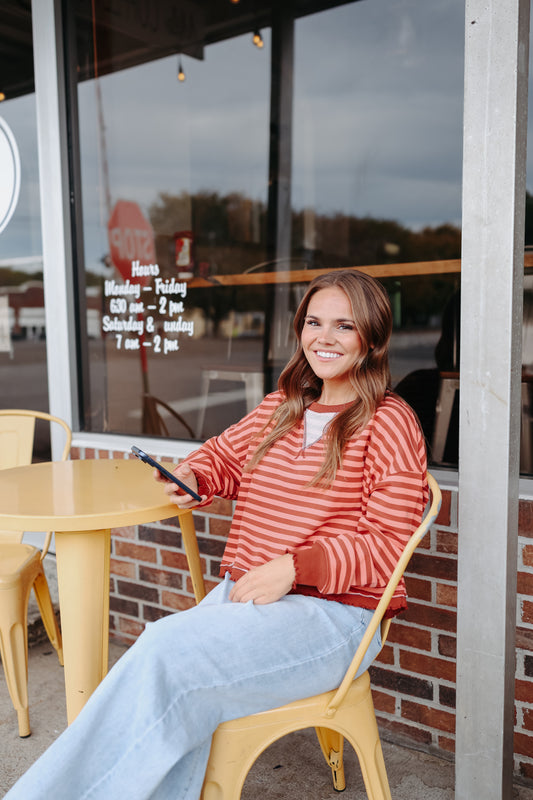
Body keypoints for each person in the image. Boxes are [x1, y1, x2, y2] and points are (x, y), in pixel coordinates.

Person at [5, 269, 428, 800]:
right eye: (314, 322)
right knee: (160, 680)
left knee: (163, 653)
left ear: (371, 337)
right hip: (249, 597)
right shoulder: (283, 408)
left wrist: (295, 567)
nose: (325, 337)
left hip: (335, 616)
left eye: (344, 326)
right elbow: (219, 455)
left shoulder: (390, 422)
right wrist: (196, 479)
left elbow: (388, 545)